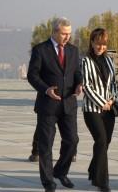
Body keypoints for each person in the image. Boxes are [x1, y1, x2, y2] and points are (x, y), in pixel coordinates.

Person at [27, 17, 82, 192]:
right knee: (45, 145)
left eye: (69, 34)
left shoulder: (73, 51)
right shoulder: (40, 50)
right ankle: (48, 182)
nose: (68, 37)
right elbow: (32, 75)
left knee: (72, 141)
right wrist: (45, 89)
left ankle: (60, 171)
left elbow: (77, 71)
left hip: (69, 104)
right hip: (47, 105)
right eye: (64, 34)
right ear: (55, 32)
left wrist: (79, 83)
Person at [82, 28, 118, 192]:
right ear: (92, 42)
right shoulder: (85, 61)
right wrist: (102, 102)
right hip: (92, 109)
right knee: (101, 140)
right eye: (97, 43)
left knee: (105, 143)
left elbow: (114, 84)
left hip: (108, 109)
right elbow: (86, 86)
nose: (100, 47)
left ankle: (92, 169)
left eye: (103, 44)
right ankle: (102, 182)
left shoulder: (109, 61)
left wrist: (112, 99)